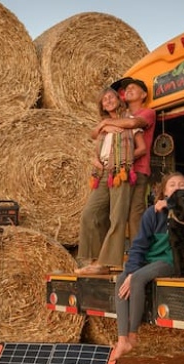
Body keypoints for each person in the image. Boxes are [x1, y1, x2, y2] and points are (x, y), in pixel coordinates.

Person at [111, 171, 184, 361]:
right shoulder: (151, 214)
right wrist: (130, 271)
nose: (178, 187)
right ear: (163, 191)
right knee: (122, 279)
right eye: (172, 184)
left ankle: (133, 336)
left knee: (136, 280)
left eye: (182, 185)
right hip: (151, 259)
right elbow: (139, 245)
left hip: (171, 261)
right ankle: (122, 339)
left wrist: (170, 205)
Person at [76, 88, 146, 275]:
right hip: (102, 172)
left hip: (121, 170)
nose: (107, 101)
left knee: (117, 217)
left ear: (118, 98)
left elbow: (142, 148)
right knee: (90, 213)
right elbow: (93, 137)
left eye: (110, 97)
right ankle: (95, 259)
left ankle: (105, 263)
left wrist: (124, 159)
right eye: (103, 100)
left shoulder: (129, 119)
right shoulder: (102, 128)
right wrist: (103, 127)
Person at [93, 77, 156, 246]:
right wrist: (103, 127)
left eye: (134, 88)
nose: (128, 89)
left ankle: (138, 256)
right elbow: (94, 134)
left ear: (143, 94)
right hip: (118, 171)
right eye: (126, 89)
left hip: (138, 170)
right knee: (113, 214)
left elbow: (133, 123)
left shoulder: (147, 113)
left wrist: (106, 122)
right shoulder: (121, 114)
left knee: (134, 214)